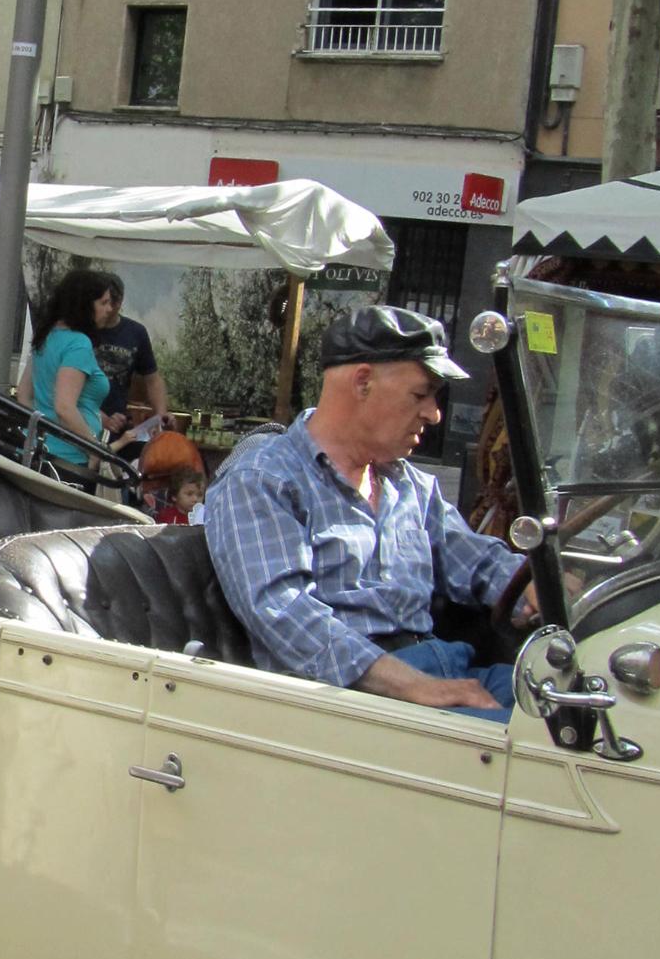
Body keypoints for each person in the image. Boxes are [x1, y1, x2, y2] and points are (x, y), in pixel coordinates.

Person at [206, 304, 529, 718]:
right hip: (354, 701)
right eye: (421, 393)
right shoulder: (264, 478)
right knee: (543, 754)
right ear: (362, 382)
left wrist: (534, 587)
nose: (434, 414)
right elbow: (285, 614)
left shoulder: (407, 482)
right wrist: (414, 685)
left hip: (446, 669)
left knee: (589, 716)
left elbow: (475, 559)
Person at [19, 269, 150, 472]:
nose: (109, 309)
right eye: (103, 302)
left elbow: (24, 395)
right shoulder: (78, 343)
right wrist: (94, 448)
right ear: (85, 304)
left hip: (39, 450)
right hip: (68, 459)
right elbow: (64, 407)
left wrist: (36, 432)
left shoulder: (47, 336)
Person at [93, 277, 169, 435]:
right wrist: (101, 418)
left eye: (113, 303)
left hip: (116, 421)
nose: (109, 309)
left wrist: (160, 416)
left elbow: (153, 379)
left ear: (120, 301)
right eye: (104, 303)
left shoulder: (136, 332)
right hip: (85, 419)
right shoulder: (82, 331)